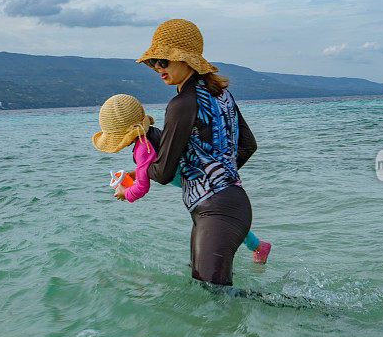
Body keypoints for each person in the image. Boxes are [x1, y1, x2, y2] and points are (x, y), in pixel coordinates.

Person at [136, 18, 261, 285]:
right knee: (208, 293)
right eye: (153, 62)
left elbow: (163, 171)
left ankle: (323, 315)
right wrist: (219, 176)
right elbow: (248, 145)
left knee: (214, 295)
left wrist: (139, 159)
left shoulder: (181, 104)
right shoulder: (222, 94)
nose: (158, 67)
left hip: (217, 212)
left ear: (185, 59)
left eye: (164, 61)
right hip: (227, 206)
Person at [92, 93, 271, 263]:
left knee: (224, 222)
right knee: (228, 220)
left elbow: (142, 188)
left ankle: (256, 247)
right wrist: (135, 173)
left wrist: (125, 193)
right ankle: (258, 247)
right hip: (205, 180)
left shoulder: (141, 149)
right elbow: (155, 164)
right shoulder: (152, 135)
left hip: (202, 189)